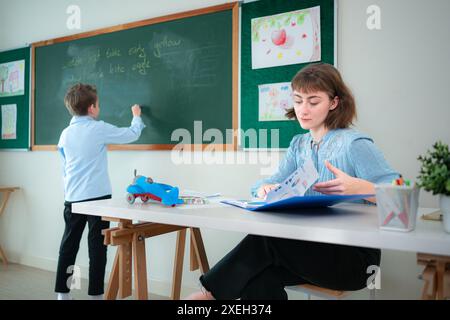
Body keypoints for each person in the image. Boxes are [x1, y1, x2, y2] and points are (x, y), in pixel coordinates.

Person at [186, 63, 399, 300]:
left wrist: (365, 189)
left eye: (313, 101)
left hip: (354, 259)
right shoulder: (299, 145)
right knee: (257, 279)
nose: (303, 109)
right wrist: (265, 189)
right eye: (298, 101)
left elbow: (400, 197)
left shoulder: (354, 144)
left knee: (268, 238)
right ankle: (211, 295)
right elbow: (262, 186)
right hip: (306, 248)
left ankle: (210, 295)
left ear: (334, 102)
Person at [54, 83, 145, 300]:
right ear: (93, 108)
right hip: (97, 200)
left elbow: (64, 168)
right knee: (97, 248)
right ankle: (95, 295)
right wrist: (136, 116)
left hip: (72, 199)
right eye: (99, 104)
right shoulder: (98, 128)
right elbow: (131, 134)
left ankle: (63, 294)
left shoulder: (64, 135)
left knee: (68, 247)